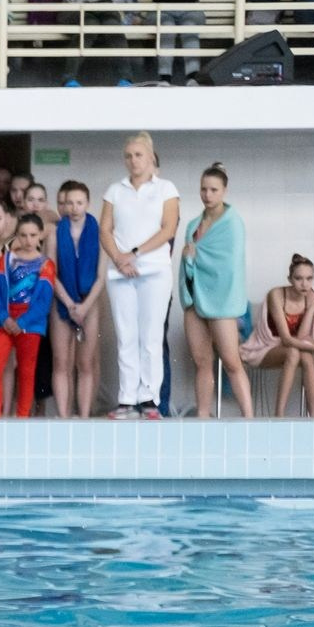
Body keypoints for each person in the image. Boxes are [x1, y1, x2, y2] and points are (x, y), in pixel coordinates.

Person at [99, 135, 181, 419]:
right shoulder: (115, 190)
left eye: (138, 155)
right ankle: (127, 398)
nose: (133, 161)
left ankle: (148, 398)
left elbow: (168, 229)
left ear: (150, 158)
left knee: (151, 336)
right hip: (120, 271)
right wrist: (120, 259)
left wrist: (133, 253)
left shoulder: (166, 189)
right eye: (128, 156)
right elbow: (105, 230)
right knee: (127, 335)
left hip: (154, 270)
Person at [177, 165, 254, 419]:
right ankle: (202, 416)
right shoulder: (192, 225)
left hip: (221, 300)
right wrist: (189, 260)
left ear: (224, 191)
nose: (207, 195)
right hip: (195, 299)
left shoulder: (233, 223)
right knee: (201, 361)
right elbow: (188, 260)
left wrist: (195, 257)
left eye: (213, 190)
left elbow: (230, 265)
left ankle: (249, 419)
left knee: (232, 361)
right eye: (203, 189)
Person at [0, 212, 53, 416]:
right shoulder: (5, 260)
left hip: (30, 322)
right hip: (3, 320)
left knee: (26, 372)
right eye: (23, 235)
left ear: (40, 235)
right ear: (17, 236)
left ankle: (22, 418)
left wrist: (21, 322)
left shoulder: (46, 264)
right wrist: (4, 317)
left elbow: (43, 302)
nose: (28, 240)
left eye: (32, 235)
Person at [46, 180, 104, 417]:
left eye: (79, 202)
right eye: (69, 202)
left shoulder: (99, 233)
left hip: (89, 302)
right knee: (61, 363)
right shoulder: (54, 233)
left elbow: (101, 277)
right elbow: (51, 272)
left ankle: (84, 416)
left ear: (88, 203)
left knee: (86, 364)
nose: (74, 207)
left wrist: (85, 306)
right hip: (62, 301)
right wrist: (70, 304)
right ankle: (63, 416)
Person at [253, 254, 314, 415]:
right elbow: (286, 338)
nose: (305, 284)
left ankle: (313, 417)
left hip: (292, 347)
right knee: (294, 352)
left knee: (306, 355)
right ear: (289, 279)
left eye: (309, 278)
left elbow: (302, 335)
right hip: (266, 347)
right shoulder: (276, 294)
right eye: (298, 278)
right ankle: (279, 414)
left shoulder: (312, 298)